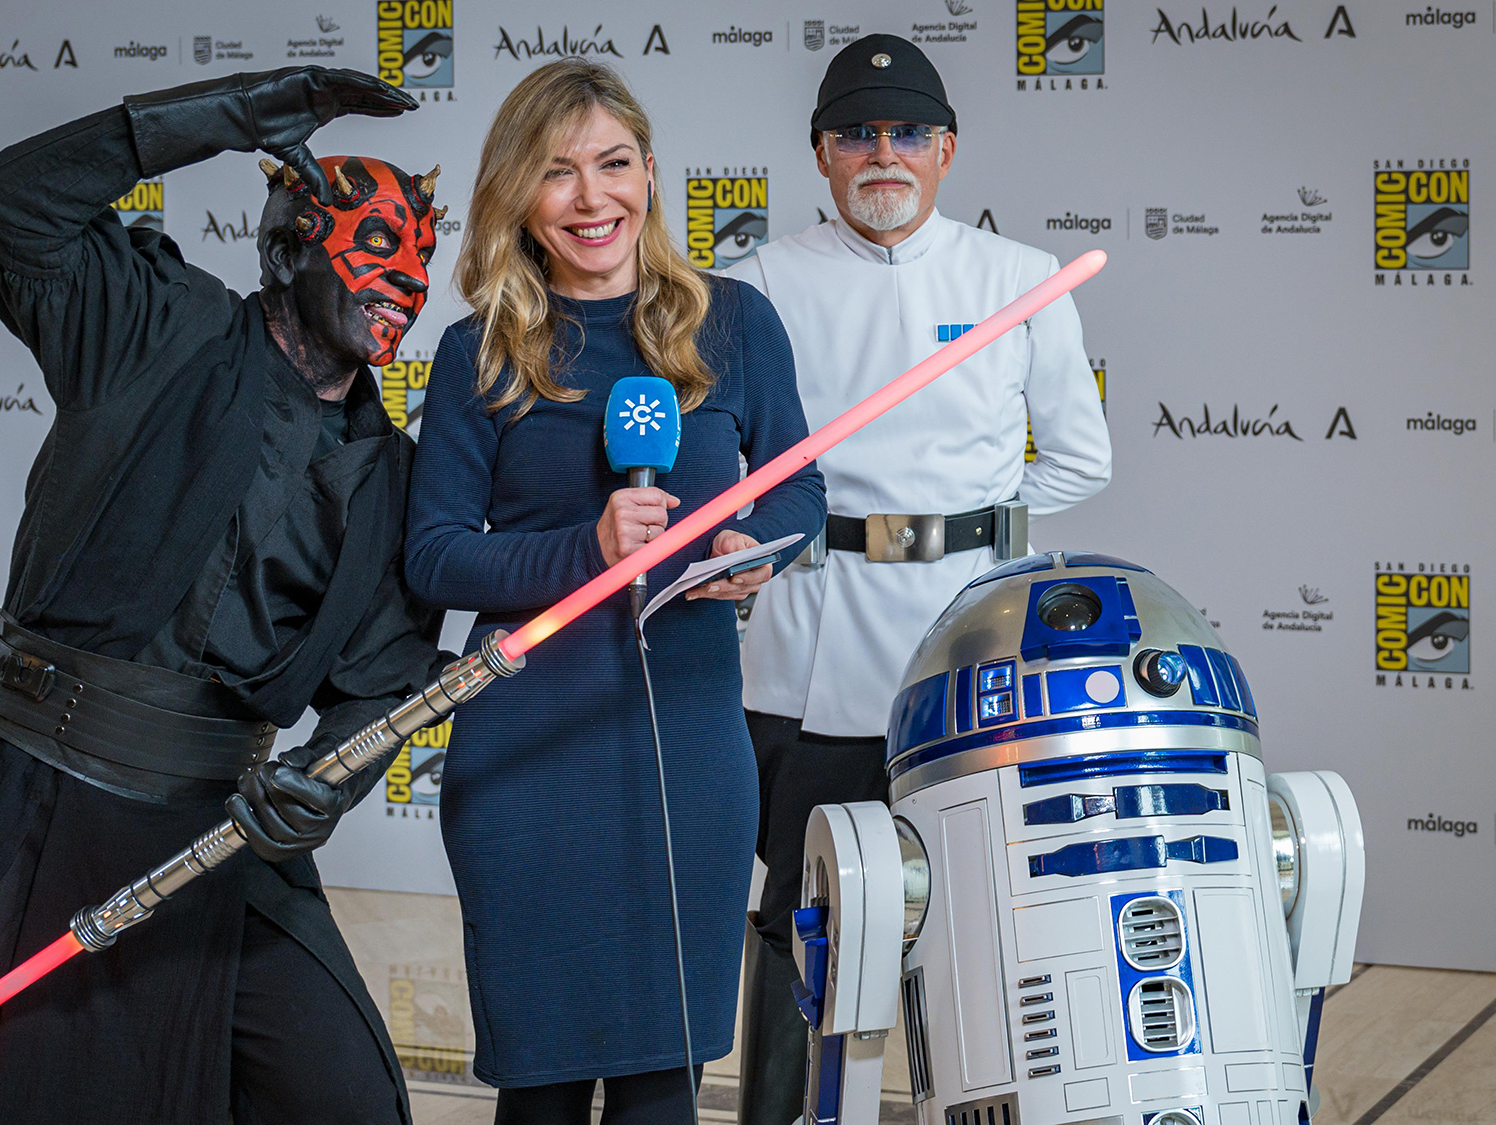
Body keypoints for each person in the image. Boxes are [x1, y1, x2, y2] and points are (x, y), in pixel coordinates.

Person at [0, 68, 451, 1124]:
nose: (406, 279)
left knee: (342, 1096)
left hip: (216, 828)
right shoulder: (153, 326)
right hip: (29, 795)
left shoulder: (392, 475)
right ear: (291, 244)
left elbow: (382, 685)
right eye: (377, 245)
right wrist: (227, 118)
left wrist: (326, 786)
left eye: (422, 256)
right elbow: (9, 206)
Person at [404, 59, 826, 1124]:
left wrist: (754, 546)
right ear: (517, 198)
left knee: (660, 1089)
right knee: (540, 1097)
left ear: (649, 173)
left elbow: (801, 485)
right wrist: (586, 550)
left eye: (612, 164)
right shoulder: (477, 352)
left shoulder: (731, 324)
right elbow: (436, 555)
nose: (592, 200)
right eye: (556, 174)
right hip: (529, 749)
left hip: (685, 740)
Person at [719, 33, 1114, 1123]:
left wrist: (973, 534)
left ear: (944, 150)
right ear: (818, 156)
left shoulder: (1019, 281)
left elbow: (1082, 456)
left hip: (965, 656)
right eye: (853, 133)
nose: (879, 153)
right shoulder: (751, 288)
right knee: (799, 911)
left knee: (979, 912)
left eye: (903, 133)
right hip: (810, 645)